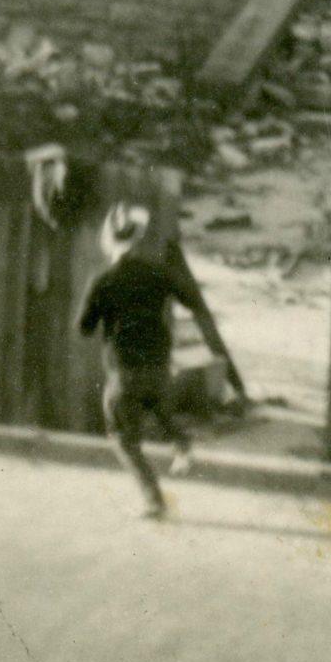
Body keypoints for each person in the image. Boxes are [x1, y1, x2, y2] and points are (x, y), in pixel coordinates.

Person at [77, 203, 197, 520]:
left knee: (121, 437)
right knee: (156, 404)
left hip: (124, 369)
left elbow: (84, 328)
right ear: (137, 237)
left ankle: (154, 499)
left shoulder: (102, 279)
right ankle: (181, 440)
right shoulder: (156, 272)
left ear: (108, 239)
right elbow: (189, 297)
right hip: (158, 362)